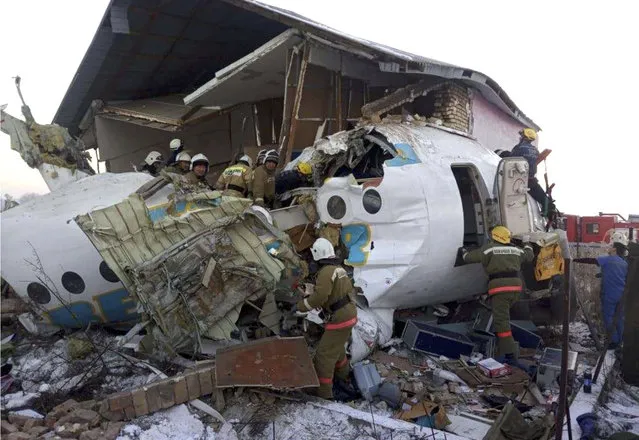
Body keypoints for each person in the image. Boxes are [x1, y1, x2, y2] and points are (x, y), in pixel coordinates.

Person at [293, 238, 357, 400]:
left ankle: (324, 393)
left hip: (340, 317)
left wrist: (301, 305)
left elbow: (321, 296)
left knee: (323, 356)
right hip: (349, 313)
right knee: (337, 349)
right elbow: (334, 293)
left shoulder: (325, 272)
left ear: (316, 255)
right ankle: (344, 377)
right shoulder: (338, 269)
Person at [460, 226, 534, 361]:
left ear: (494, 237)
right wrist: (527, 243)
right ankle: (503, 346)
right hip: (516, 289)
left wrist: (463, 251)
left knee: (502, 322)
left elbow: (468, 258)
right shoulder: (515, 250)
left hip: (500, 290)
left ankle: (510, 354)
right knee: (503, 317)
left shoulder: (489, 248)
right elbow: (529, 255)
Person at [574, 233, 629, 349]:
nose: (608, 248)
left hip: (609, 295)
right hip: (622, 295)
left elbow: (591, 260)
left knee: (608, 317)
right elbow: (619, 275)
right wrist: (602, 274)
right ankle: (621, 341)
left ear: (614, 248)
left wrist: (574, 259)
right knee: (619, 318)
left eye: (610, 246)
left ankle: (612, 342)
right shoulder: (624, 262)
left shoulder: (607, 259)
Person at [510, 128, 549, 209]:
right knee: (545, 200)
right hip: (531, 181)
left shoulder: (518, 148)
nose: (520, 138)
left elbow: (510, 161)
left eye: (521, 136)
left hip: (517, 179)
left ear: (525, 137)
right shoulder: (535, 150)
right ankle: (547, 211)